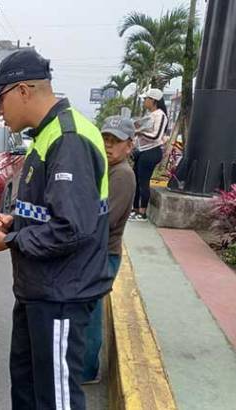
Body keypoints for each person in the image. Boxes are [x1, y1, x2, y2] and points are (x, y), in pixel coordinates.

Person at [0, 48, 110, 410]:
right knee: (29, 390)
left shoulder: (69, 139)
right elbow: (51, 212)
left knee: (55, 400)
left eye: (0, 99)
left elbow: (72, 228)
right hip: (40, 291)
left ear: (22, 91)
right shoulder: (46, 135)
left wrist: (10, 239)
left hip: (61, 295)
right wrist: (13, 221)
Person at [82, 116, 137, 384]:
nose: (108, 145)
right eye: (106, 139)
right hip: (97, 252)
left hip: (104, 254)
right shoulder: (107, 169)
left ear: (129, 145)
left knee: (91, 314)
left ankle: (87, 371)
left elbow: (104, 220)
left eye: (116, 141)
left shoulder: (123, 176)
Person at [130, 88, 168, 221]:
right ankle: (134, 209)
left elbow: (156, 136)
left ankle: (142, 212)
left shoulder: (160, 115)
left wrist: (140, 132)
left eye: (146, 99)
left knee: (143, 181)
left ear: (153, 100)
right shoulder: (150, 115)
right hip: (142, 151)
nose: (144, 101)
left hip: (151, 151)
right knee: (135, 180)